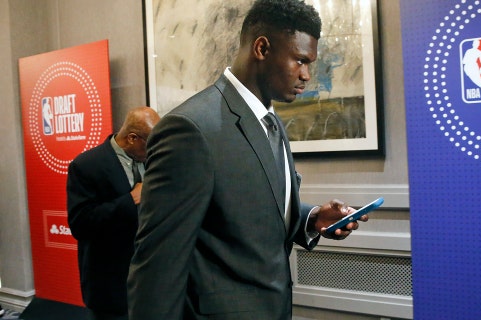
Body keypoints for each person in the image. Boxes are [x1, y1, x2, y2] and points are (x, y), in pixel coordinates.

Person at [127, 1, 368, 319]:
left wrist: (310, 218)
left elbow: (251, 210)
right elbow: (157, 264)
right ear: (262, 48)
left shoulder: (272, 121)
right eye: (300, 61)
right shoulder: (191, 129)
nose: (307, 75)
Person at [67, 106, 161, 320]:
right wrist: (130, 200)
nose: (156, 149)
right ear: (132, 138)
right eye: (151, 144)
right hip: (111, 287)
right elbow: (80, 224)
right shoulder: (86, 165)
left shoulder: (153, 159)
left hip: (152, 281)